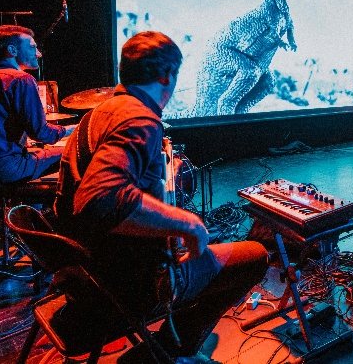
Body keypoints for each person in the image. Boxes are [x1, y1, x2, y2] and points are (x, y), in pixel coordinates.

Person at [54, 31, 268, 364]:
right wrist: (189, 223)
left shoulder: (97, 114)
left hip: (90, 273)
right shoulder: (139, 118)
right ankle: (169, 352)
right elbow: (99, 197)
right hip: (133, 282)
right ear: (167, 76)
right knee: (255, 256)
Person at [0, 25, 75, 185]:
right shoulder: (21, 79)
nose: (39, 54)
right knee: (75, 151)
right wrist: (75, 129)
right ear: (12, 50)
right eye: (33, 47)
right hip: (4, 167)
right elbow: (41, 133)